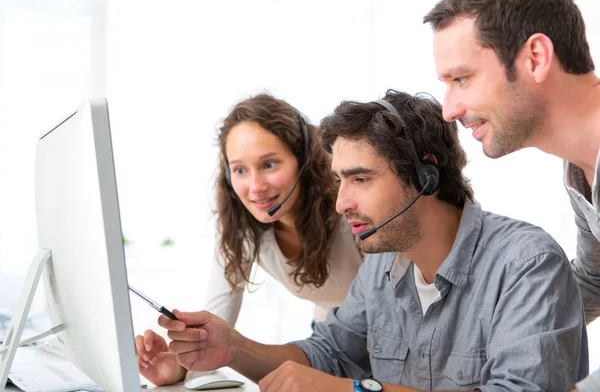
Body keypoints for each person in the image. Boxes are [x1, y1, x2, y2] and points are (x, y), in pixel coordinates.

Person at [147, 91, 587, 391]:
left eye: (360, 178)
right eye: (340, 180)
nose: (341, 203)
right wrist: (231, 349)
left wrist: (355, 389)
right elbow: (328, 355)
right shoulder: (381, 268)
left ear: (425, 175)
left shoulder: (526, 264)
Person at [423, 0, 600, 390]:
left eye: (462, 79)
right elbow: (592, 281)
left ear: (535, 57)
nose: (448, 109)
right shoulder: (579, 171)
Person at [134, 93, 363, 385]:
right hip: (332, 341)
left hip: (383, 337)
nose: (255, 187)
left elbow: (389, 307)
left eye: (269, 165)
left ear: (304, 160)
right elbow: (219, 320)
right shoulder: (241, 225)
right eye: (240, 170)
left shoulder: (348, 209)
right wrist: (182, 366)